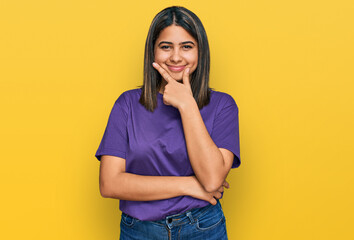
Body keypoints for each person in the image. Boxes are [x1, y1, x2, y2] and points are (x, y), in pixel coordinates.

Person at [95, 5, 241, 240]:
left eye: (186, 46)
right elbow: (110, 184)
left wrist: (187, 105)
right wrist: (188, 185)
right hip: (139, 231)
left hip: (203, 228)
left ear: (200, 52)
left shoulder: (223, 106)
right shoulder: (127, 104)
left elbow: (213, 179)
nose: (175, 56)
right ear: (153, 51)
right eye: (166, 46)